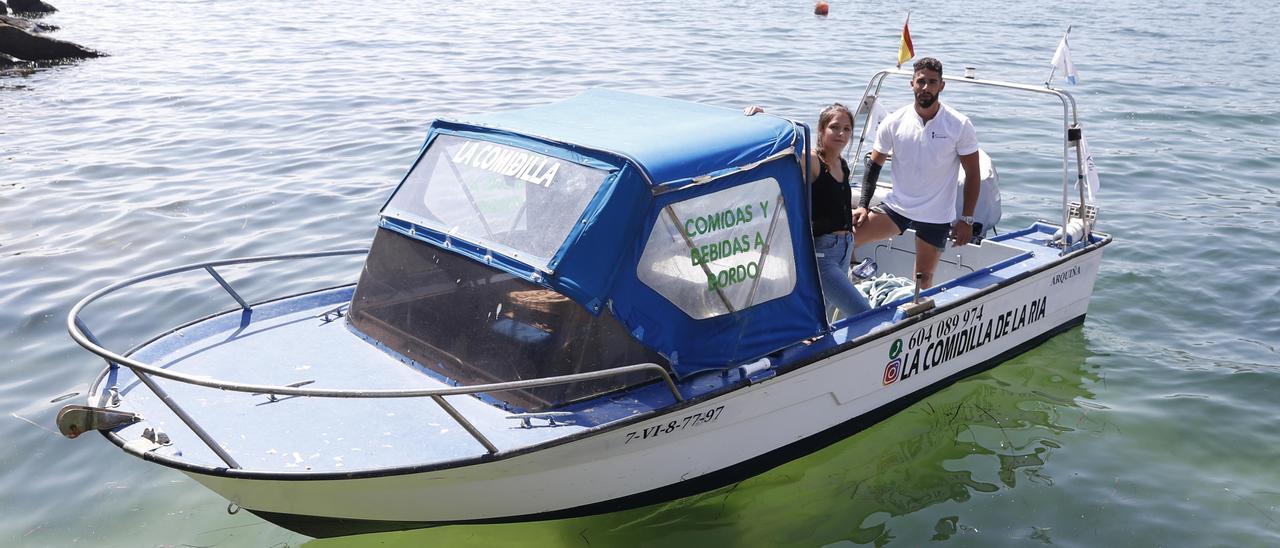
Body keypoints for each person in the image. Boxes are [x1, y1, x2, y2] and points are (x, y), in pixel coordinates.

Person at [853, 57, 981, 289]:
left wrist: (967, 219)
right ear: (911, 83)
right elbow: (873, 166)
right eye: (921, 81)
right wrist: (862, 205)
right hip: (897, 207)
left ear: (941, 86)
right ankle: (850, 286)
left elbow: (973, 173)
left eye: (932, 82)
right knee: (845, 240)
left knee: (923, 279)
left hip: (937, 215)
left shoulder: (959, 124)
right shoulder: (893, 122)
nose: (926, 87)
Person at [745, 103, 871, 319]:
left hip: (845, 249)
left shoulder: (842, 163)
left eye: (847, 128)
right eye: (834, 127)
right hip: (823, 255)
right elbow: (777, 153)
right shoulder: (813, 161)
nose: (841, 133)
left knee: (823, 319)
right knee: (864, 313)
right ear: (821, 130)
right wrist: (760, 122)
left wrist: (851, 253)